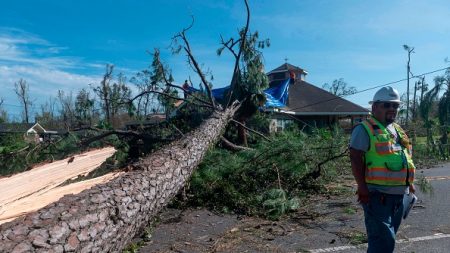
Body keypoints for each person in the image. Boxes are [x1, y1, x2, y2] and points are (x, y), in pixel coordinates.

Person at [349, 86, 415, 253]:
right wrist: (362, 186)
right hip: (377, 195)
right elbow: (355, 158)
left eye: (395, 105)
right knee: (382, 242)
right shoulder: (364, 129)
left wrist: (410, 184)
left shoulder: (397, 130)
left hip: (399, 197)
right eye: (387, 105)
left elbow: (404, 158)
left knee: (388, 239)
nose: (392, 109)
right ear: (374, 107)